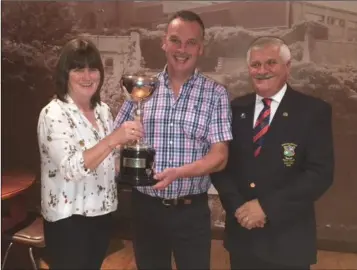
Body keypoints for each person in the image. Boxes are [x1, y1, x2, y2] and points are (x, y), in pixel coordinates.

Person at [114, 10, 232, 270]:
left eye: (191, 42)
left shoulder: (216, 94)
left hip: (191, 212)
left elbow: (220, 157)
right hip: (145, 209)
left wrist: (179, 173)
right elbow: (116, 139)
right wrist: (119, 162)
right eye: (176, 40)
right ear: (164, 42)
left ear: (201, 48)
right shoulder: (142, 88)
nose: (182, 49)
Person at [211, 36, 334, 270]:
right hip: (243, 237)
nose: (262, 70)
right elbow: (220, 166)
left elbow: (319, 174)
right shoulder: (235, 109)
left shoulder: (313, 111)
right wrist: (238, 208)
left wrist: (266, 207)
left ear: (287, 67)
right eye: (255, 65)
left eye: (271, 63)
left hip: (288, 241)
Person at [37, 38, 143, 270]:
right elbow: (71, 168)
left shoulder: (103, 111)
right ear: (66, 74)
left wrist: (134, 161)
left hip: (102, 213)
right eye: (78, 69)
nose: (87, 76)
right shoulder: (53, 114)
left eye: (93, 69)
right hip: (68, 220)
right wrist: (114, 138)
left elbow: (110, 159)